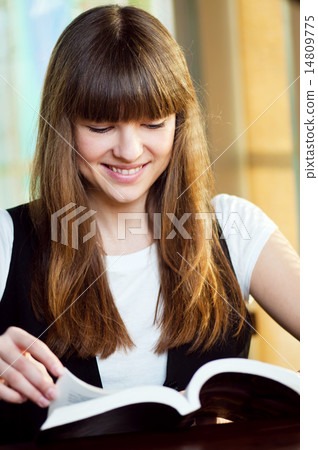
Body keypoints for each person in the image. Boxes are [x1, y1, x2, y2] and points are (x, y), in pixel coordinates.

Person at [0, 4, 299, 443]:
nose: (129, 149)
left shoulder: (234, 226)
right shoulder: (9, 239)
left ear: (179, 124)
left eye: (153, 122)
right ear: (63, 124)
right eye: (101, 126)